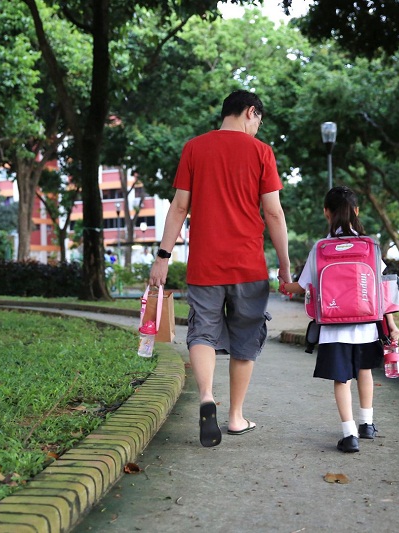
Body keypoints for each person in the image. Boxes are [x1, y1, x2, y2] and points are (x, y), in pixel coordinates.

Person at [148, 90, 291, 447]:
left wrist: (162, 257)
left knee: (202, 332)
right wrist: (286, 267)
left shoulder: (194, 148)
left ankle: (207, 397)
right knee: (245, 339)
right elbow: (273, 213)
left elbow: (180, 207)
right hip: (248, 265)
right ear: (250, 112)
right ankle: (236, 417)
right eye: (258, 119)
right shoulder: (261, 153)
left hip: (205, 264)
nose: (258, 127)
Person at [280, 186, 399, 453]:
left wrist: (284, 286)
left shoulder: (322, 248)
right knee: (364, 371)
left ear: (327, 213)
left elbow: (303, 286)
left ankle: (349, 436)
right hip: (368, 325)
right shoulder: (370, 246)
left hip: (334, 328)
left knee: (341, 379)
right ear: (357, 211)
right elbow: (382, 287)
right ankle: (367, 424)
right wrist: (390, 323)